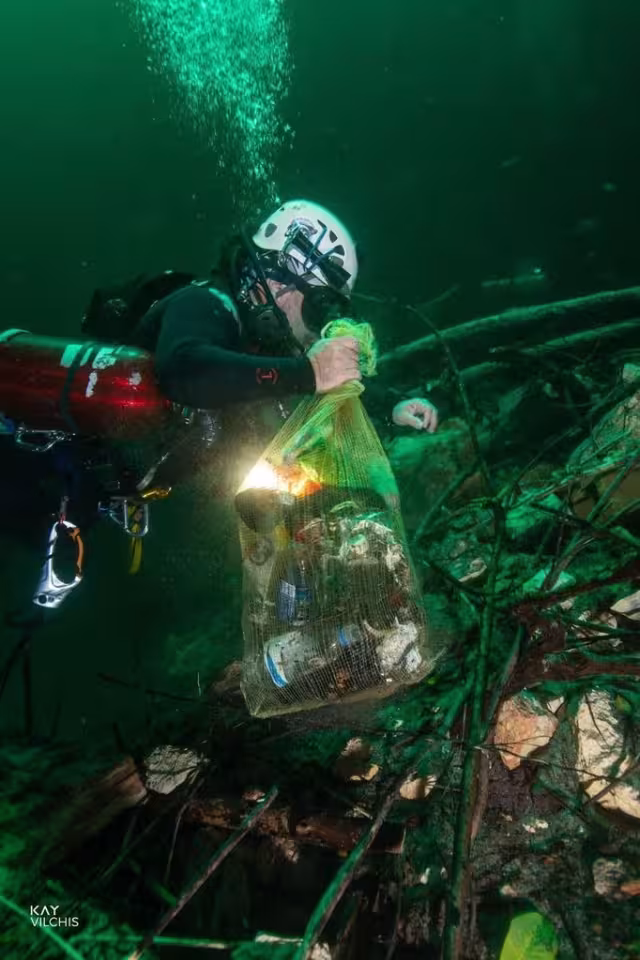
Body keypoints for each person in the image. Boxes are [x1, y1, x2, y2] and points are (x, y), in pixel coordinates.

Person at [0, 199, 439, 611]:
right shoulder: (204, 303)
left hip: (75, 492)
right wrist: (308, 372)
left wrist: (390, 407)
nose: (315, 328)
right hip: (25, 460)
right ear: (286, 279)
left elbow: (302, 400)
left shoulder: (256, 349)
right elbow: (184, 370)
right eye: (319, 305)